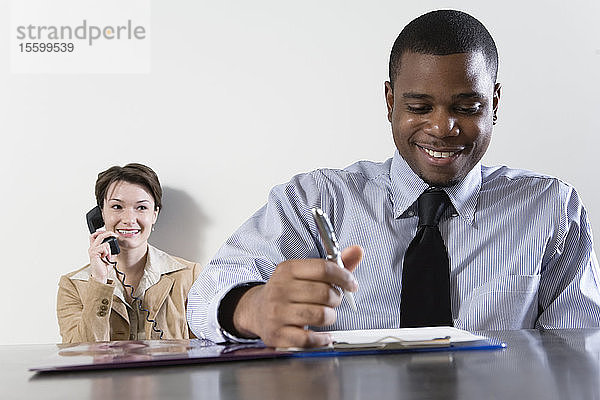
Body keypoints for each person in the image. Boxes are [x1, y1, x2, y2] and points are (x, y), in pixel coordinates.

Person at [187, 10, 600, 348]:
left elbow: (577, 349)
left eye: (468, 106)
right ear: (390, 102)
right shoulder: (315, 200)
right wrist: (253, 307)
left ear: (494, 103)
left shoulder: (551, 208)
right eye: (419, 107)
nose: (442, 128)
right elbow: (205, 296)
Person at [57, 163, 202, 343]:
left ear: (154, 214)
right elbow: (81, 355)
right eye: (117, 207)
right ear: (101, 213)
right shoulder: (73, 286)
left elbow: (206, 350)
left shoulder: (190, 276)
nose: (129, 219)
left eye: (141, 208)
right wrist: (99, 283)